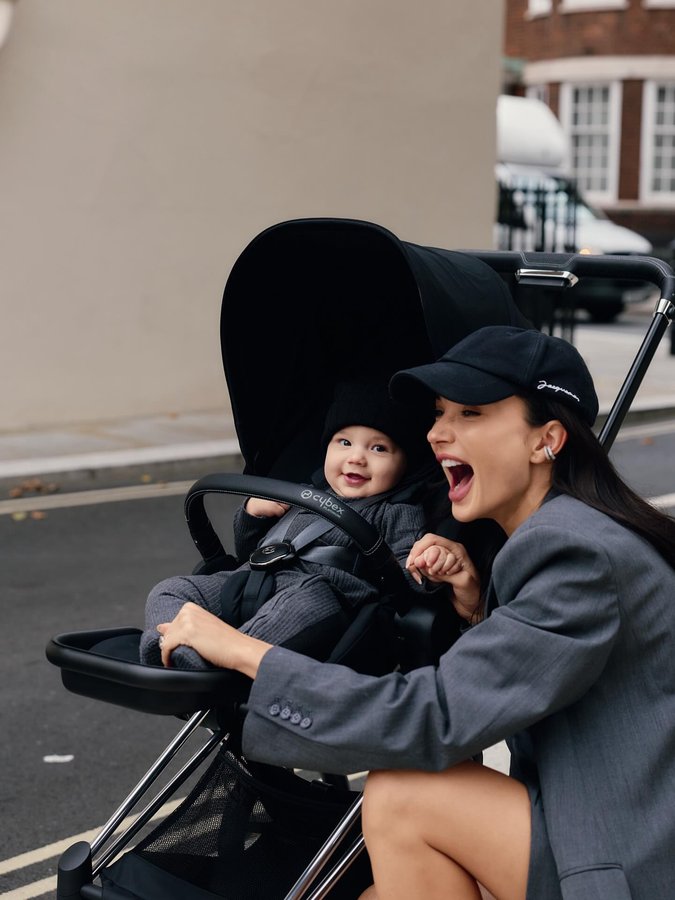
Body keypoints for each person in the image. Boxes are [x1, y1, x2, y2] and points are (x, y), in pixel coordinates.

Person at [154, 326, 675, 899]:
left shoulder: (574, 552)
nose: (437, 433)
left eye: (470, 413)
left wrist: (244, 649)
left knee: (403, 794)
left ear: (545, 440)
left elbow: (432, 719)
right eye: (438, 413)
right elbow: (540, 667)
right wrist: (478, 609)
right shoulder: (555, 532)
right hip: (586, 820)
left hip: (624, 860)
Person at [141, 380, 467, 669]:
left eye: (378, 448)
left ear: (405, 463)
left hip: (327, 595)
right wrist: (253, 514)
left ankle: (222, 661)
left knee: (304, 604)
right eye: (344, 442)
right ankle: (171, 648)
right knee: (171, 589)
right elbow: (248, 551)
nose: (356, 457)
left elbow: (404, 574)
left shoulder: (396, 509)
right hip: (252, 581)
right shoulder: (301, 494)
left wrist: (425, 565)